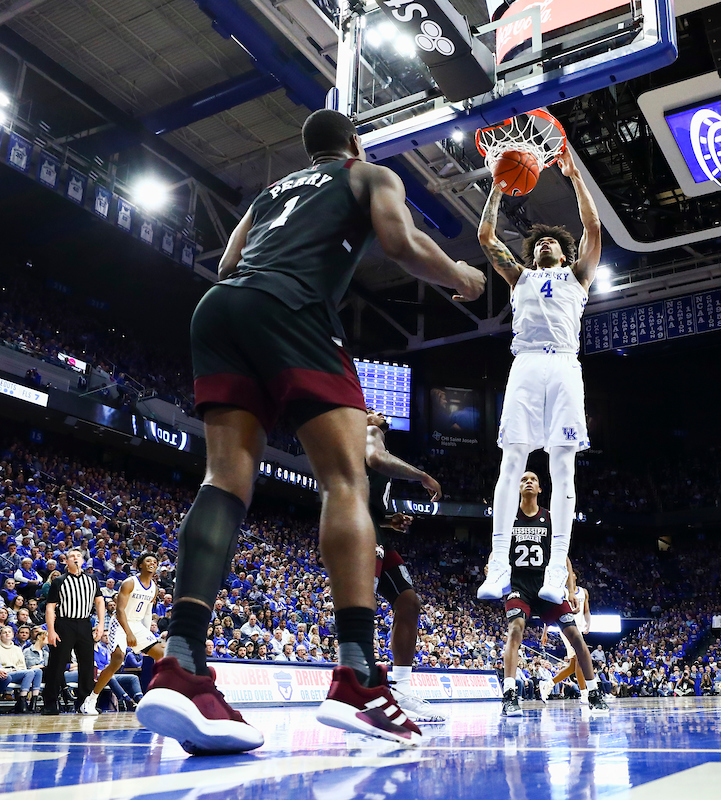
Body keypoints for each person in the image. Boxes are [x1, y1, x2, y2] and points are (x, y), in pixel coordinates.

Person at [137, 108, 484, 755]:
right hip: (290, 308)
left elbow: (232, 259)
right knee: (344, 480)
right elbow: (402, 242)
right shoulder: (367, 174)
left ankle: (181, 664)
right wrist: (461, 276)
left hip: (221, 311)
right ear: (354, 144)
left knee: (224, 479)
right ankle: (356, 677)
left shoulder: (272, 192)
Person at [476, 147, 603, 605]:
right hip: (526, 364)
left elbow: (593, 227)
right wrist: (497, 184)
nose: (546, 244)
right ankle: (497, 566)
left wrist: (573, 178)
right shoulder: (520, 278)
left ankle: (555, 572)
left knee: (562, 467)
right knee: (512, 461)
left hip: (565, 365)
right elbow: (486, 234)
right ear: (532, 253)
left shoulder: (578, 276)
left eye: (552, 242)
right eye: (540, 243)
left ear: (565, 252)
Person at [495, 471, 608, 717]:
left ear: (539, 489)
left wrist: (570, 589)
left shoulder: (549, 518)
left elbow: (562, 557)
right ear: (518, 487)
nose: (527, 481)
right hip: (520, 585)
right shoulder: (508, 518)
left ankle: (593, 692)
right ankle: (510, 695)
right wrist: (491, 566)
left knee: (576, 636)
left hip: (547, 585)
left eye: (533, 479)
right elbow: (497, 550)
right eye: (523, 479)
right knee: (515, 629)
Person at [364, 407, 445, 723]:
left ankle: (400, 688)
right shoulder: (370, 434)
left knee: (409, 602)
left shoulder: (379, 442)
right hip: (358, 525)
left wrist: (389, 520)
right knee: (365, 603)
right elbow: (375, 460)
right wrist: (423, 476)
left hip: (375, 526)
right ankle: (364, 686)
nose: (380, 412)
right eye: (371, 410)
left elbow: (372, 495)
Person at [80, 554, 166, 715]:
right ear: (140, 565)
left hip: (136, 624)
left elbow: (147, 613)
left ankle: (158, 697)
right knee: (118, 659)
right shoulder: (129, 583)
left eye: (155, 562)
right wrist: (129, 634)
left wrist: (145, 637)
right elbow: (119, 611)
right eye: (148, 561)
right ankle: (90, 700)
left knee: (162, 655)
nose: (152, 563)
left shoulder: (154, 588)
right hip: (120, 623)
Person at [42, 548, 104, 715]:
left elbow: (99, 602)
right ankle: (50, 702)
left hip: (84, 623)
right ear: (66, 562)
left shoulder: (92, 579)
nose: (75, 558)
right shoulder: (59, 581)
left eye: (78, 556)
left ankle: (84, 703)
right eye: (71, 556)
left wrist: (100, 625)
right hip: (64, 623)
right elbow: (50, 608)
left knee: (87, 664)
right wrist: (51, 630)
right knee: (57, 664)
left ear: (83, 561)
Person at [540, 559, 591, 701]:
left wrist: (588, 624)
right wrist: (545, 632)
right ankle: (584, 694)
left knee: (572, 666)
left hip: (579, 628)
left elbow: (587, 611)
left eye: (571, 573)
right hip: (567, 628)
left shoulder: (583, 592)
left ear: (574, 576)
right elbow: (551, 611)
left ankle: (549, 685)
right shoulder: (561, 591)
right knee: (580, 659)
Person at [0, 624, 41, 713]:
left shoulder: (17, 649)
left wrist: (18, 670)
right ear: (1, 635)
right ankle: (22, 701)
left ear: (13, 635)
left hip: (18, 672)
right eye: (4, 632)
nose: (7, 634)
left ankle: (33, 702)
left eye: (9, 632)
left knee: (38, 671)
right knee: (29, 673)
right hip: (6, 672)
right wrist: (11, 670)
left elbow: (22, 665)